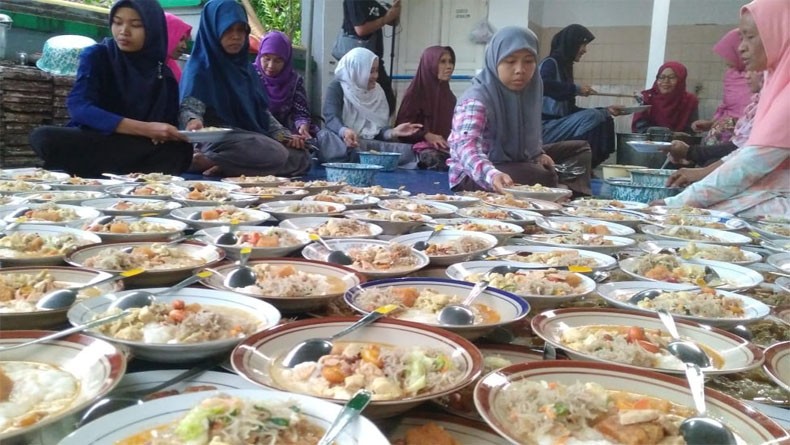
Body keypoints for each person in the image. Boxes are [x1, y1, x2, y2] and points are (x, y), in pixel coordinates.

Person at [654, 0, 789, 218]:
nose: (741, 47)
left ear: (779, 34)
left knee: (708, 214)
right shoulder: (777, 84)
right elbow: (746, 153)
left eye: (750, 37)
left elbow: (752, 162)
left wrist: (678, 203)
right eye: (741, 38)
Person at [28, 0, 192, 177]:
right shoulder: (98, 55)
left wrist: (182, 128)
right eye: (117, 22)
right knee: (44, 137)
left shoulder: (164, 74)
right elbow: (80, 107)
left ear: (153, 29)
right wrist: (145, 128)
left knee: (179, 149)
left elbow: (166, 125)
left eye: (136, 25)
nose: (124, 31)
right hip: (99, 139)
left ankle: (116, 173)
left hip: (136, 147)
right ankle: (129, 172)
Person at [447, 26, 592, 195]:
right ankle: (555, 191)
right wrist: (492, 175)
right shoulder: (477, 99)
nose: (520, 70)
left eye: (529, 61)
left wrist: (537, 155)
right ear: (494, 60)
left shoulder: (529, 92)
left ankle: (569, 196)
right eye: (510, 61)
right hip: (475, 174)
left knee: (580, 150)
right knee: (541, 175)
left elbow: (528, 136)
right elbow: (465, 146)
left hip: (515, 162)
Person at [179, 0, 310, 177]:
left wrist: (285, 136)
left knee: (301, 157)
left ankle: (222, 165)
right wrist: (193, 120)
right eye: (228, 30)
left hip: (249, 139)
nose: (236, 36)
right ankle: (211, 160)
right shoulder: (201, 67)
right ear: (213, 29)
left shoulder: (246, 70)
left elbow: (262, 114)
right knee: (274, 152)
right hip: (216, 141)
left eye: (241, 30)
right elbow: (190, 107)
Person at [320, 47, 421, 166]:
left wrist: (393, 132)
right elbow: (331, 118)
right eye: (370, 71)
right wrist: (345, 131)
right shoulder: (337, 87)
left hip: (370, 144)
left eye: (376, 71)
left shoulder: (378, 91)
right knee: (327, 138)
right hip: (343, 141)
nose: (375, 76)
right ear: (357, 70)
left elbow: (377, 132)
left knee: (406, 150)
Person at [539, 24, 623, 168]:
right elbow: (543, 85)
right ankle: (574, 166)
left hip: (557, 125)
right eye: (582, 45)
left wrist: (605, 110)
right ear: (571, 44)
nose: (585, 50)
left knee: (604, 118)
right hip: (543, 128)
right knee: (594, 117)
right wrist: (576, 89)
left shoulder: (564, 67)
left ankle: (587, 167)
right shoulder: (550, 64)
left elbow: (570, 110)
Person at [661, 70, 763, 170]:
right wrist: (712, 124)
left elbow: (740, 149)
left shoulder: (765, 109)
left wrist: (690, 153)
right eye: (661, 77)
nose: (746, 76)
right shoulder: (753, 105)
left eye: (671, 77)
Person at [395, 45, 456, 171]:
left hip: (445, 148)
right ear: (429, 64)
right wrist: (426, 135)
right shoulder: (415, 94)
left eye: (450, 62)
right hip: (417, 153)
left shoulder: (450, 97)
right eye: (442, 62)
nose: (449, 66)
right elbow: (402, 129)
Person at [335, 0, 400, 114]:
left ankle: (377, 124)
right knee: (359, 104)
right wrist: (385, 19)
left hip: (374, 61)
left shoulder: (373, 2)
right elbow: (360, 29)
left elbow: (393, 21)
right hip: (358, 66)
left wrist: (396, 8)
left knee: (388, 102)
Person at [254, 30, 319, 140]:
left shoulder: (294, 81)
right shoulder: (250, 76)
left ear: (286, 61)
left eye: (278, 61)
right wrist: (282, 136)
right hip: (257, 132)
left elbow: (301, 111)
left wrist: (302, 126)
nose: (271, 65)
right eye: (267, 59)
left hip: (290, 134)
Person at [694, 29, 752, 145]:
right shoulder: (731, 75)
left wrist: (734, 123)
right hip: (723, 135)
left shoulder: (759, 76)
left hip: (745, 137)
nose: (725, 59)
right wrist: (711, 123)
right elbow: (727, 106)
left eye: (729, 53)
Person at [632, 61, 699, 133]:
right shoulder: (647, 97)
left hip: (681, 140)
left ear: (681, 80)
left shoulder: (690, 100)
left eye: (672, 77)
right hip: (649, 139)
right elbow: (640, 128)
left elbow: (692, 130)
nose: (666, 81)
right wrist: (669, 134)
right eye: (661, 77)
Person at [164, 12, 191, 82]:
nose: (184, 46)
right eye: (181, 39)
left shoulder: (170, 67)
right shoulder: (146, 70)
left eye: (186, 41)